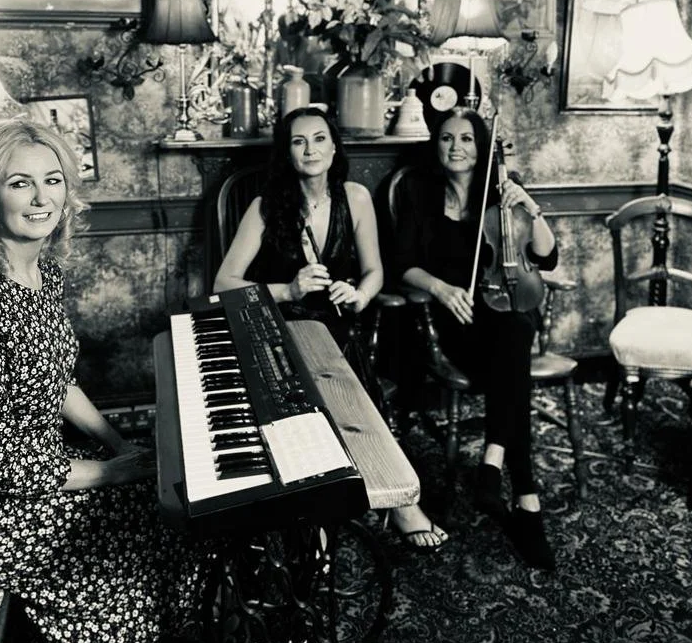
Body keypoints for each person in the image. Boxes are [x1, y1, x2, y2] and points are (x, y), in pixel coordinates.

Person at [0, 120, 204, 643]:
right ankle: (108, 642)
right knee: (129, 519)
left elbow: (58, 382)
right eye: (19, 184)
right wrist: (110, 470)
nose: (41, 198)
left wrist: (122, 445)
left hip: (39, 464)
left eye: (52, 180)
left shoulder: (42, 273)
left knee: (169, 497)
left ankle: (160, 631)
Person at [214, 106, 447, 553]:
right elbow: (223, 283)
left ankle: (398, 502)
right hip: (282, 328)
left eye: (319, 138)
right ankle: (316, 514)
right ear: (287, 153)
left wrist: (359, 294)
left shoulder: (355, 197)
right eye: (299, 141)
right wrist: (288, 288)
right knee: (308, 404)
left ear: (334, 146)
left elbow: (375, 270)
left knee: (354, 385)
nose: (310, 149)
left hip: (340, 326)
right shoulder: (266, 207)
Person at [394, 106, 558, 571]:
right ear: (436, 144)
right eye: (447, 138)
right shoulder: (418, 192)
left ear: (480, 146)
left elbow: (546, 258)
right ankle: (524, 500)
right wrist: (442, 290)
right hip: (456, 320)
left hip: (504, 314)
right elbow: (401, 263)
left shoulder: (502, 191)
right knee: (516, 355)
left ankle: (500, 467)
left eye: (467, 138)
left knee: (515, 327)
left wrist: (530, 207)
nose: (457, 147)